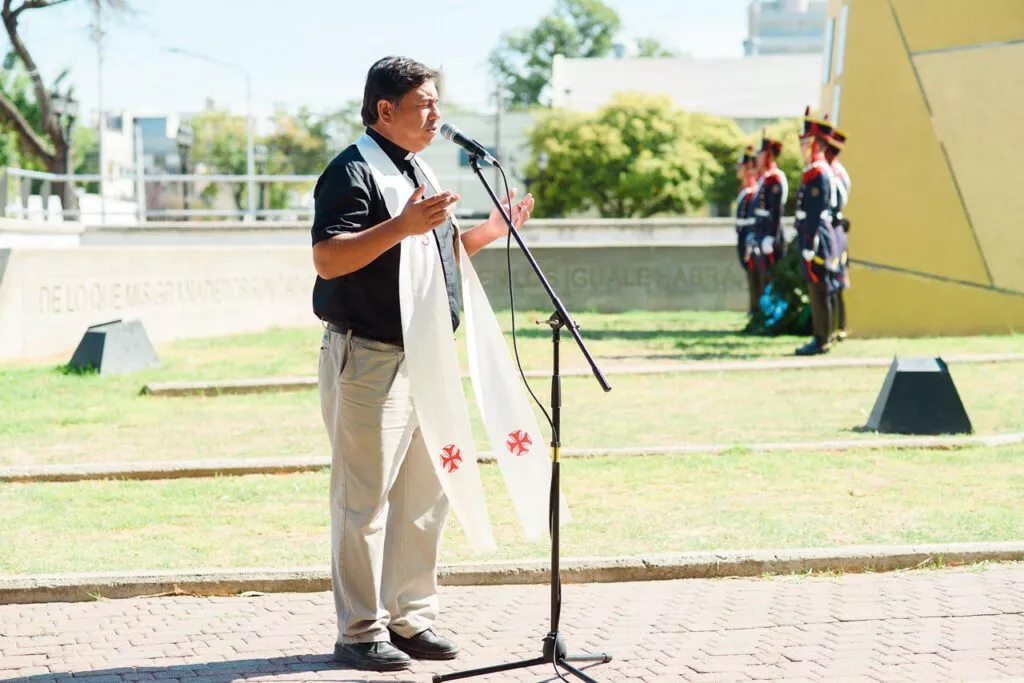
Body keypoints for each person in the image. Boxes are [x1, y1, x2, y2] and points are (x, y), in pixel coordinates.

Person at [310, 56, 535, 672]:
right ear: (386, 110)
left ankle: (410, 619)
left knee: (425, 495)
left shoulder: (418, 168)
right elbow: (328, 258)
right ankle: (359, 631)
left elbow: (434, 257)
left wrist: (489, 232)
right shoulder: (353, 170)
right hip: (371, 358)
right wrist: (401, 224)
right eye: (424, 105)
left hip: (425, 354)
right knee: (365, 501)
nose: (437, 115)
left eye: (437, 103)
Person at [794, 112, 839, 356]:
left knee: (819, 287)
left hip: (817, 234)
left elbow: (815, 210)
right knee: (816, 288)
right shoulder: (814, 170)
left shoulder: (819, 172)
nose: (802, 147)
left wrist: (811, 240)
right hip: (811, 233)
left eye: (806, 142)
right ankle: (821, 336)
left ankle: (822, 339)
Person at [750, 133, 788, 299]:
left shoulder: (775, 178)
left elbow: (776, 211)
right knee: (762, 282)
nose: (757, 157)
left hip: (770, 237)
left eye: (761, 154)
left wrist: (771, 236)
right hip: (761, 234)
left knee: (771, 282)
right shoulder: (765, 179)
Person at [824, 127, 852, 340]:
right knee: (833, 282)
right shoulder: (832, 170)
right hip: (834, 228)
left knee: (835, 280)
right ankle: (835, 327)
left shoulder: (835, 172)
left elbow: (838, 202)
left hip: (835, 229)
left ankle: (838, 327)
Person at [734, 144, 759, 329]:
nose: (738, 170)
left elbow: (752, 222)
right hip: (742, 238)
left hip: (748, 240)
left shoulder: (752, 192)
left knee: (755, 280)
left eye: (741, 166)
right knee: (751, 280)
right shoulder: (745, 191)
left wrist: (749, 244)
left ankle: (757, 316)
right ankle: (754, 314)